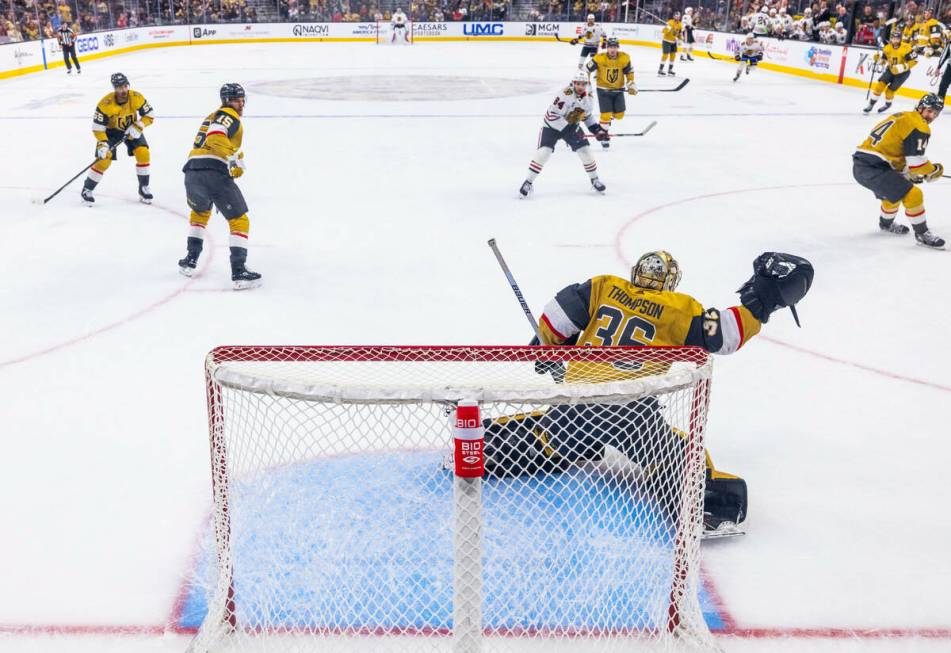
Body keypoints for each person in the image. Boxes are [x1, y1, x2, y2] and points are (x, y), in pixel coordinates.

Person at [474, 250, 814, 536]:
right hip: (632, 414)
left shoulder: (603, 286)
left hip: (573, 404)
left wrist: (546, 346)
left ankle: (489, 445)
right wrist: (760, 302)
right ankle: (708, 507)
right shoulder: (678, 307)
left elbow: (555, 318)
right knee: (683, 456)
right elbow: (724, 333)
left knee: (550, 433)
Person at [179, 83, 263, 289]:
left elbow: (212, 140)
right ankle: (239, 272)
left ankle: (190, 260)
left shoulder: (211, 116)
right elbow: (216, 137)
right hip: (212, 170)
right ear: (226, 101)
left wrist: (232, 157)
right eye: (236, 100)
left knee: (199, 214)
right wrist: (233, 157)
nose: (241, 104)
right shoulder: (227, 114)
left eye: (242, 100)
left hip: (192, 171)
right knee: (239, 220)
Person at [852, 93, 945, 249]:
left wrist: (906, 173)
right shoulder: (919, 125)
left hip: (865, 164)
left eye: (935, 113)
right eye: (929, 111)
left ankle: (886, 224)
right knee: (913, 194)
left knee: (893, 194)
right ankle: (922, 234)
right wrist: (933, 170)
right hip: (873, 167)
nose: (931, 116)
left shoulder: (904, 116)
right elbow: (917, 163)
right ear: (921, 107)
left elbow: (892, 150)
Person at [518, 72, 607, 198]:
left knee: (585, 151)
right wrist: (567, 127)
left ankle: (595, 180)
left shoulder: (589, 99)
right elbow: (551, 115)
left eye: (583, 84)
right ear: (573, 83)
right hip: (552, 127)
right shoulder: (565, 94)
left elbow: (586, 116)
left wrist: (597, 130)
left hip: (571, 126)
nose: (580, 86)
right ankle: (528, 182)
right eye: (578, 83)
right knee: (544, 152)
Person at [81, 73, 154, 205]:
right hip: (110, 133)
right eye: (120, 88)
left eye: (125, 86)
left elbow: (150, 114)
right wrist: (103, 144)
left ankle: (143, 188)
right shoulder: (105, 104)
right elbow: (98, 128)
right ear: (114, 89)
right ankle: (87, 189)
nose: (123, 90)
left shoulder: (136, 97)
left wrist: (139, 125)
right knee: (104, 161)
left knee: (143, 152)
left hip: (131, 129)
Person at [585, 37, 635, 150]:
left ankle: (605, 124)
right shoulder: (599, 58)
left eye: (614, 47)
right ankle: (604, 136)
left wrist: (631, 83)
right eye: (610, 47)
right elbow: (586, 70)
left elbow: (629, 72)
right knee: (606, 115)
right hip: (603, 90)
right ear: (607, 48)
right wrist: (587, 84)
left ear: (618, 48)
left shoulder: (624, 58)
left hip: (618, 90)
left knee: (619, 116)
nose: (612, 49)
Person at [863, 31, 917, 114]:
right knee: (879, 86)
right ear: (891, 39)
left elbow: (915, 60)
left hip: (902, 74)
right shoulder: (887, 48)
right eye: (893, 38)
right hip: (890, 70)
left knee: (889, 91)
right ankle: (870, 105)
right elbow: (884, 60)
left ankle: (888, 104)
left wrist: (902, 67)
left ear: (900, 39)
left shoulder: (906, 48)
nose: (895, 41)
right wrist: (879, 60)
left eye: (897, 39)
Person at [658, 11, 682, 76]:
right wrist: (667, 29)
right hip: (666, 41)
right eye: (676, 16)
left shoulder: (680, 24)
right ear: (674, 16)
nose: (677, 17)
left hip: (674, 42)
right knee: (665, 55)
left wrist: (680, 39)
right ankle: (660, 70)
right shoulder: (670, 22)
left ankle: (670, 70)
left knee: (673, 56)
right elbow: (663, 31)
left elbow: (679, 33)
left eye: (678, 16)